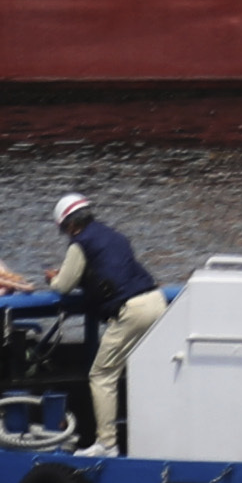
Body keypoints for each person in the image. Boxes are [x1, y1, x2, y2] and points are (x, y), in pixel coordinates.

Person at [47, 192, 167, 454]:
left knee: (102, 375)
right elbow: (109, 272)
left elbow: (64, 285)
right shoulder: (113, 236)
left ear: (69, 225)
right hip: (158, 302)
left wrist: (52, 280)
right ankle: (160, 438)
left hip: (133, 311)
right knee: (151, 372)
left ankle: (107, 444)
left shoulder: (80, 243)